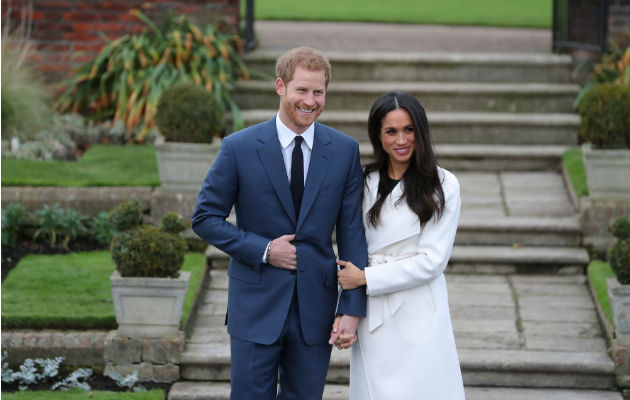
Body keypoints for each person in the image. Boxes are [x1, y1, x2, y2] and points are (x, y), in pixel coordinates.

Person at [192, 47, 368, 400]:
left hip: (315, 310)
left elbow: (352, 234)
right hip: (255, 305)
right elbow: (205, 218)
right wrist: (265, 250)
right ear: (280, 86)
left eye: (318, 92)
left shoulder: (344, 150)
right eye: (301, 90)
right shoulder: (239, 147)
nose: (310, 100)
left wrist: (351, 309)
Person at [334, 91, 465, 399]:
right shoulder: (364, 181)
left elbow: (432, 261)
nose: (401, 139)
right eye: (391, 131)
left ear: (421, 131)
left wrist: (367, 278)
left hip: (419, 308)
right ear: (378, 136)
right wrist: (346, 309)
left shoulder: (443, 184)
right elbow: (353, 243)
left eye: (409, 129)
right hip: (374, 311)